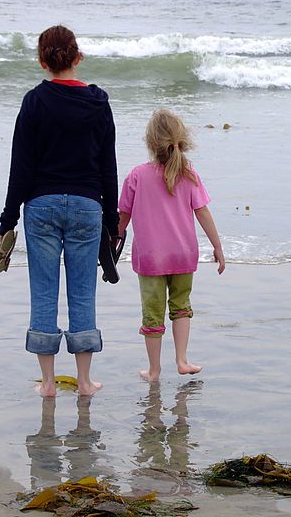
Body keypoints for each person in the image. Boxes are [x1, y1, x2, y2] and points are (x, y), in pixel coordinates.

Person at [0, 25, 118, 397]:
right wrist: (112, 221)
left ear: (41, 61)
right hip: (87, 206)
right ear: (77, 57)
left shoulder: (34, 101)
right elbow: (108, 167)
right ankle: (84, 382)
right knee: (83, 293)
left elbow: (21, 165)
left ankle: (48, 384)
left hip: (42, 206)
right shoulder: (98, 103)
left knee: (44, 292)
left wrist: (8, 218)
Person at [118, 109, 225, 382]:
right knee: (181, 306)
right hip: (182, 254)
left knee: (153, 314)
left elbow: (123, 216)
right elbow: (203, 212)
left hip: (151, 258)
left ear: (151, 142)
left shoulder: (137, 176)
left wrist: (112, 241)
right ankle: (182, 360)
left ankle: (154, 370)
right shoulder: (188, 173)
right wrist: (218, 247)